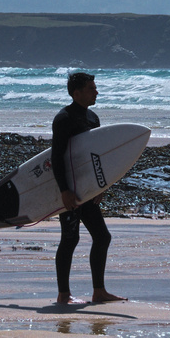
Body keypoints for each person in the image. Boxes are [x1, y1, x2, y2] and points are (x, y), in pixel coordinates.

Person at [53, 70, 126, 306]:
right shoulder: (64, 119)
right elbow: (56, 158)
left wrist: (100, 186)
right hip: (71, 191)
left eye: (95, 87)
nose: (97, 91)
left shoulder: (93, 119)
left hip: (88, 190)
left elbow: (98, 157)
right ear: (77, 93)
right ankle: (64, 295)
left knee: (102, 237)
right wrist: (64, 190)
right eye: (91, 88)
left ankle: (99, 291)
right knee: (70, 238)